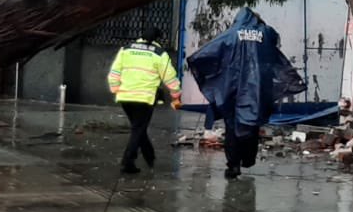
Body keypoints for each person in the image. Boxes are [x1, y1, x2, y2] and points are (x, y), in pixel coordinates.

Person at [187, 9, 304, 180]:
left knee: (232, 126)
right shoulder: (266, 33)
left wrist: (197, 62)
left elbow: (211, 51)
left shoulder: (232, 34)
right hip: (257, 89)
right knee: (252, 123)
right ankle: (248, 159)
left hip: (233, 88)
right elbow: (275, 42)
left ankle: (233, 165)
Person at [107, 27, 181, 175]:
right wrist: (176, 95)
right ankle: (128, 161)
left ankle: (149, 154)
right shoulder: (159, 54)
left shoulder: (126, 50)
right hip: (144, 98)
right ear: (157, 39)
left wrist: (115, 89)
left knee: (138, 128)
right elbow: (170, 77)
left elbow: (114, 72)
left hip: (125, 97)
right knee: (138, 129)